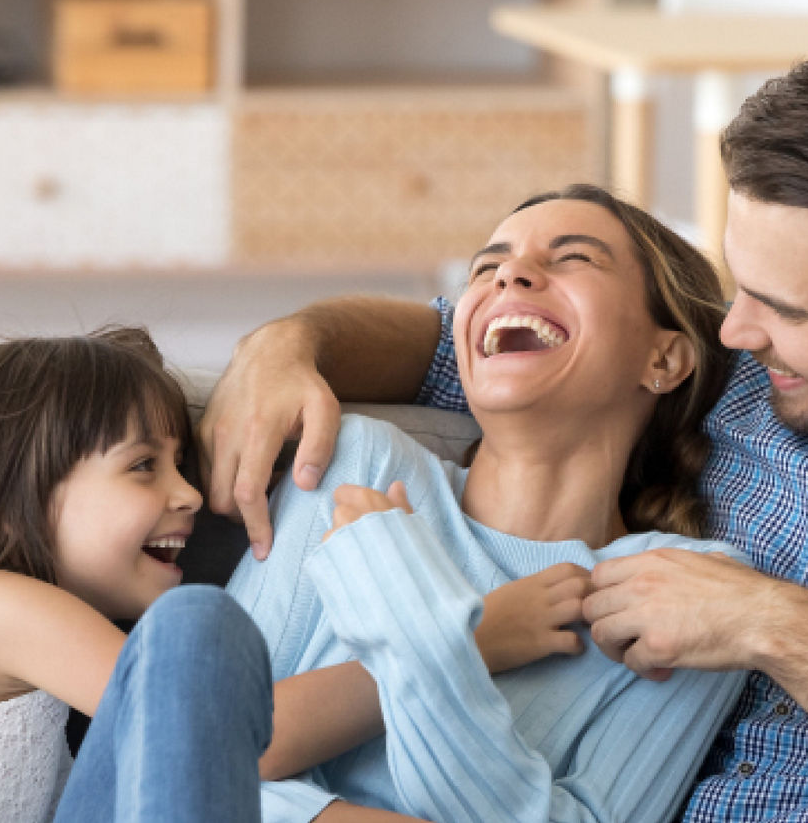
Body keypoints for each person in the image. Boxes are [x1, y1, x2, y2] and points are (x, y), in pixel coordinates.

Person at [200, 48, 808, 822]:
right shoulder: (738, 379)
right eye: (739, 285)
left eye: (783, 307)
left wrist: (777, 625)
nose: (736, 329)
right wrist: (293, 341)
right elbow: (467, 345)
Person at [227, 184, 748, 821]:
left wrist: (409, 609)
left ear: (663, 358)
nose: (510, 275)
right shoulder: (356, 465)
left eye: (574, 258)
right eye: (487, 267)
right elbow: (191, 749)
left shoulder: (685, 595)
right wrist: (473, 641)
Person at [0, 328, 273, 822]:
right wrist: (378, 645)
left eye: (181, 465)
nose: (190, 494)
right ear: (7, 499)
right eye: (145, 465)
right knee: (192, 625)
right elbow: (228, 739)